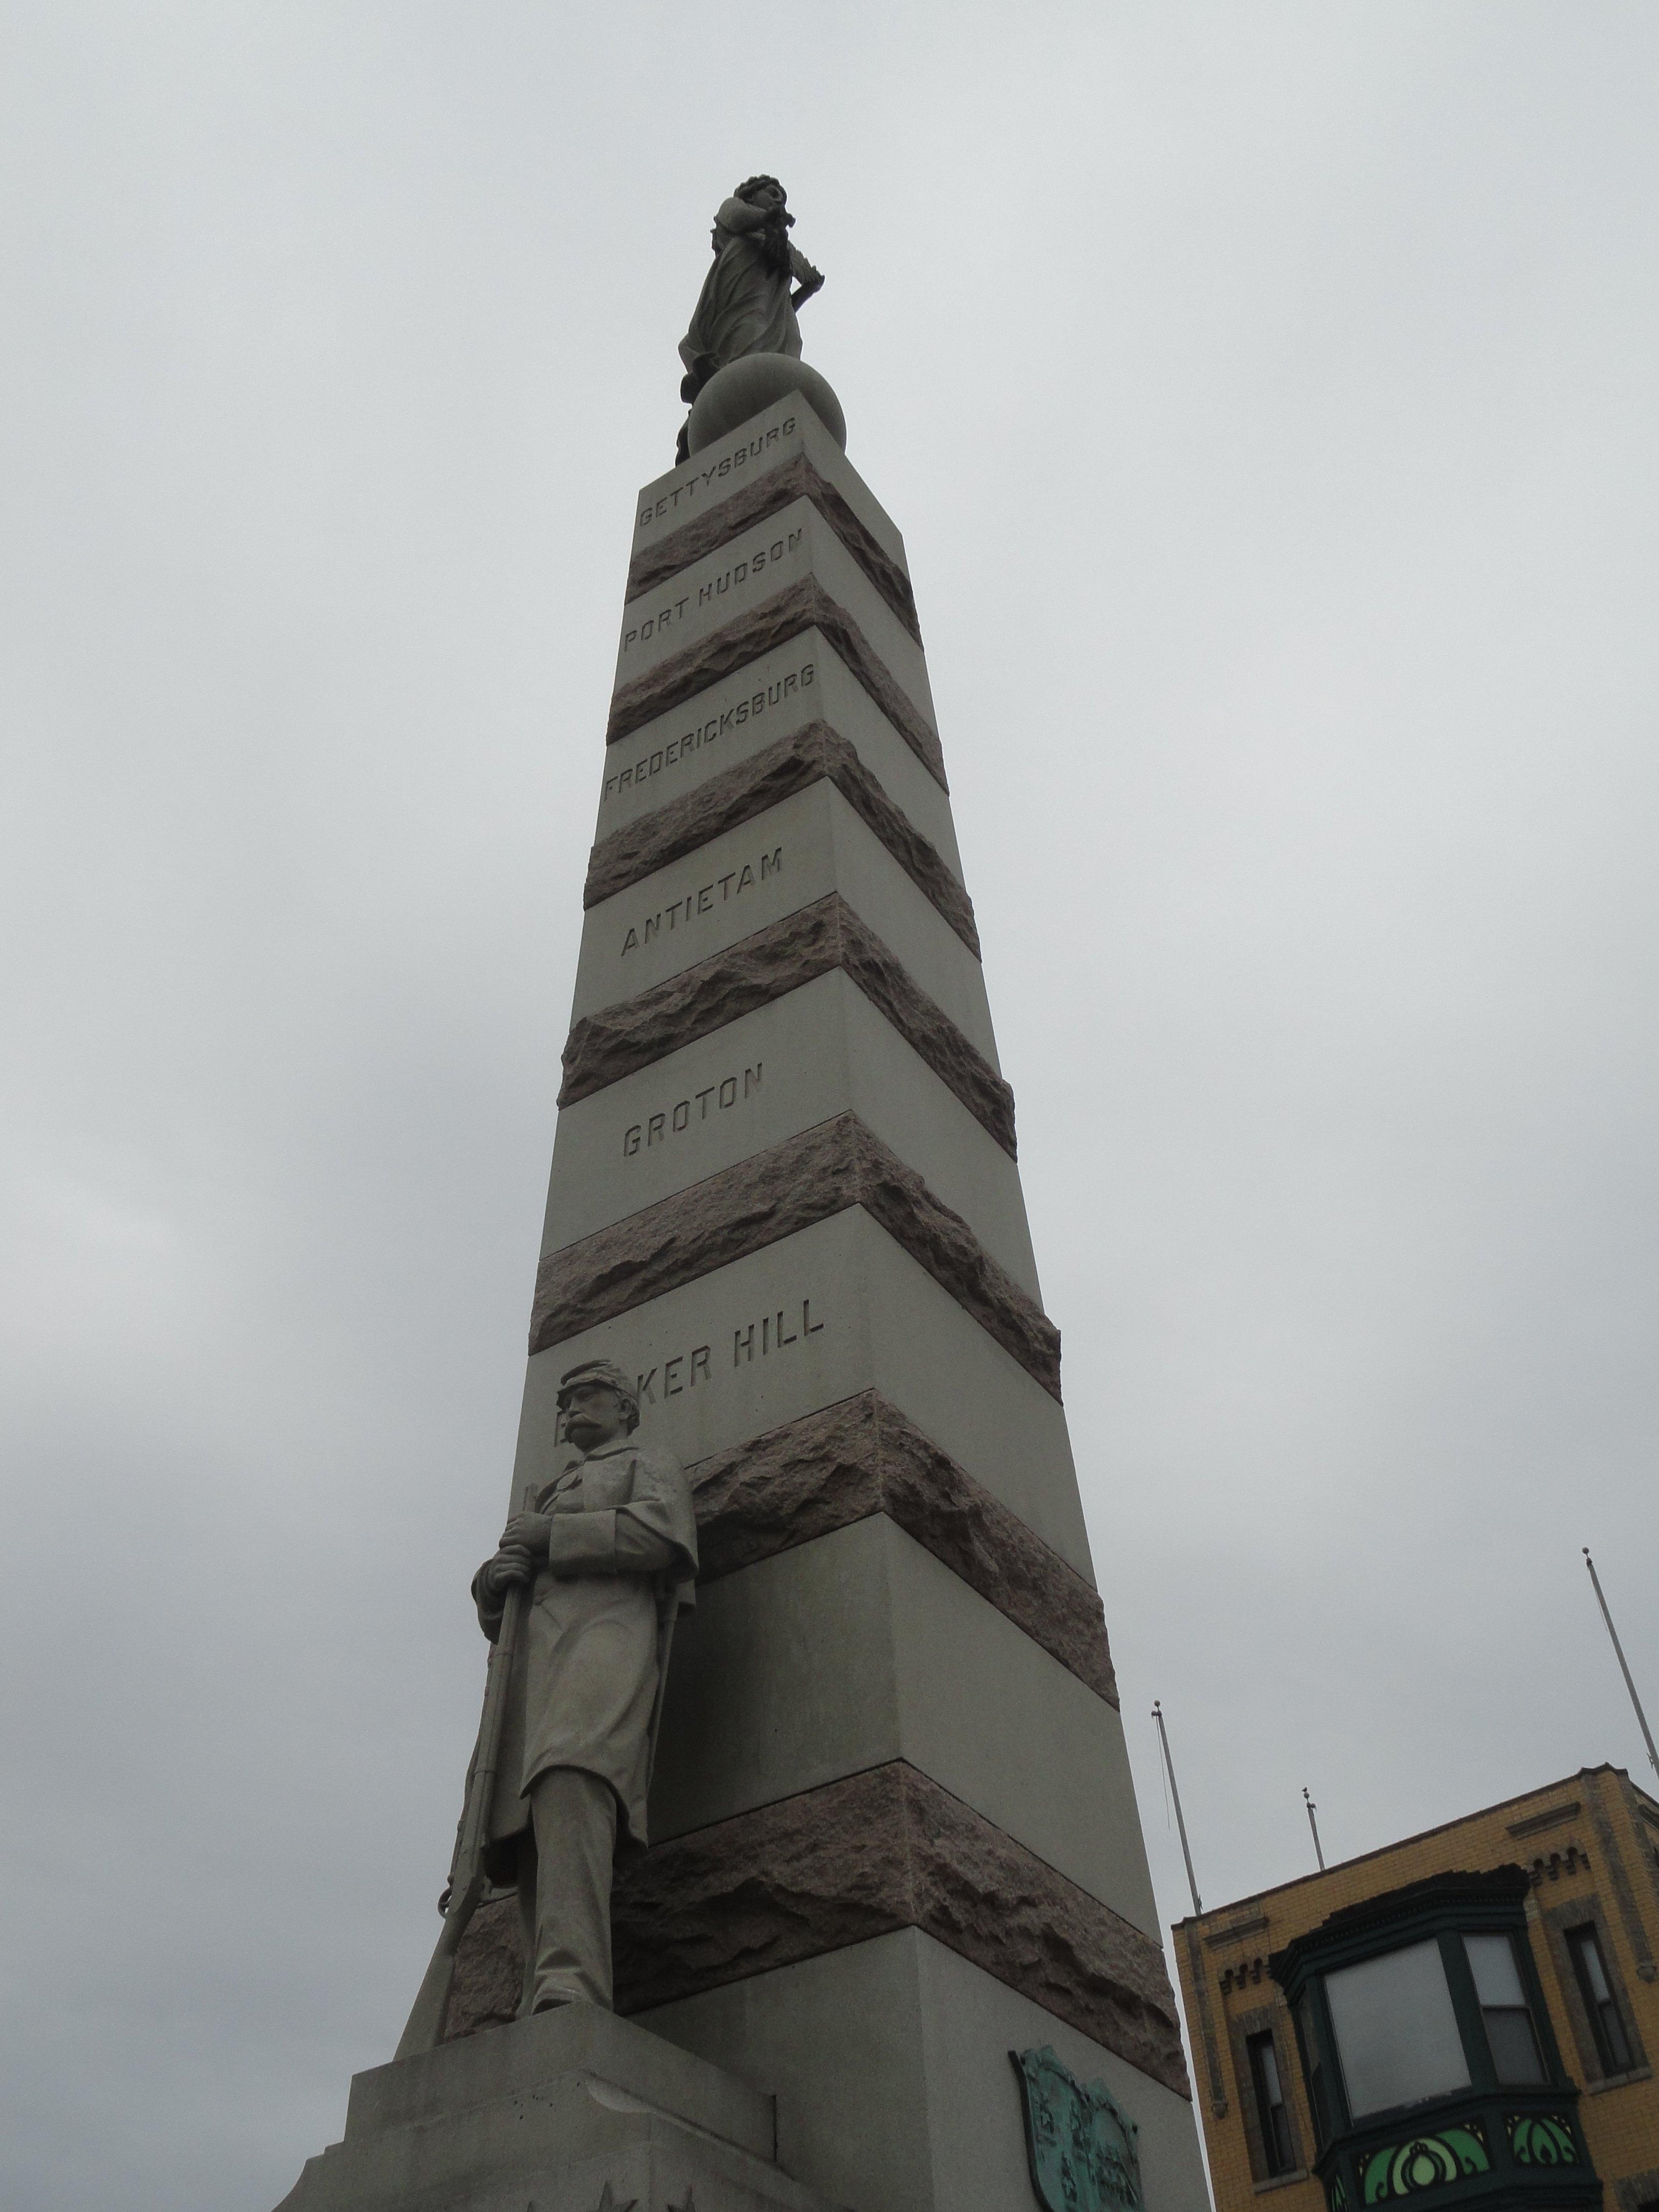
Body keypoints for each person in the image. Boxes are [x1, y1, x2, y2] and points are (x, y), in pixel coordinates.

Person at [471, 1359, 697, 2012]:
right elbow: (506, 1605)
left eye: (586, 1397)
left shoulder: (646, 1463)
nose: (570, 1410)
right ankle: (540, 1989)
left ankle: (574, 1977)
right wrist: (494, 1581)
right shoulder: (548, 1490)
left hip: (607, 1636)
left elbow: (665, 1535)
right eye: (564, 1402)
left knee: (573, 1775)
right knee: (528, 1818)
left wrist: (554, 1535)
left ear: (625, 1406)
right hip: (537, 1661)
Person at [676, 176, 824, 457]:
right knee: (746, 336)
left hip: (775, 312)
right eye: (773, 192)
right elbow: (737, 217)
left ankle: (770, 408)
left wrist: (809, 289)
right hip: (742, 296)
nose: (779, 199)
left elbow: (783, 302)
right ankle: (721, 407)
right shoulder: (737, 213)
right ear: (751, 196)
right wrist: (770, 219)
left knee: (789, 345)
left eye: (782, 197)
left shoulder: (779, 244)